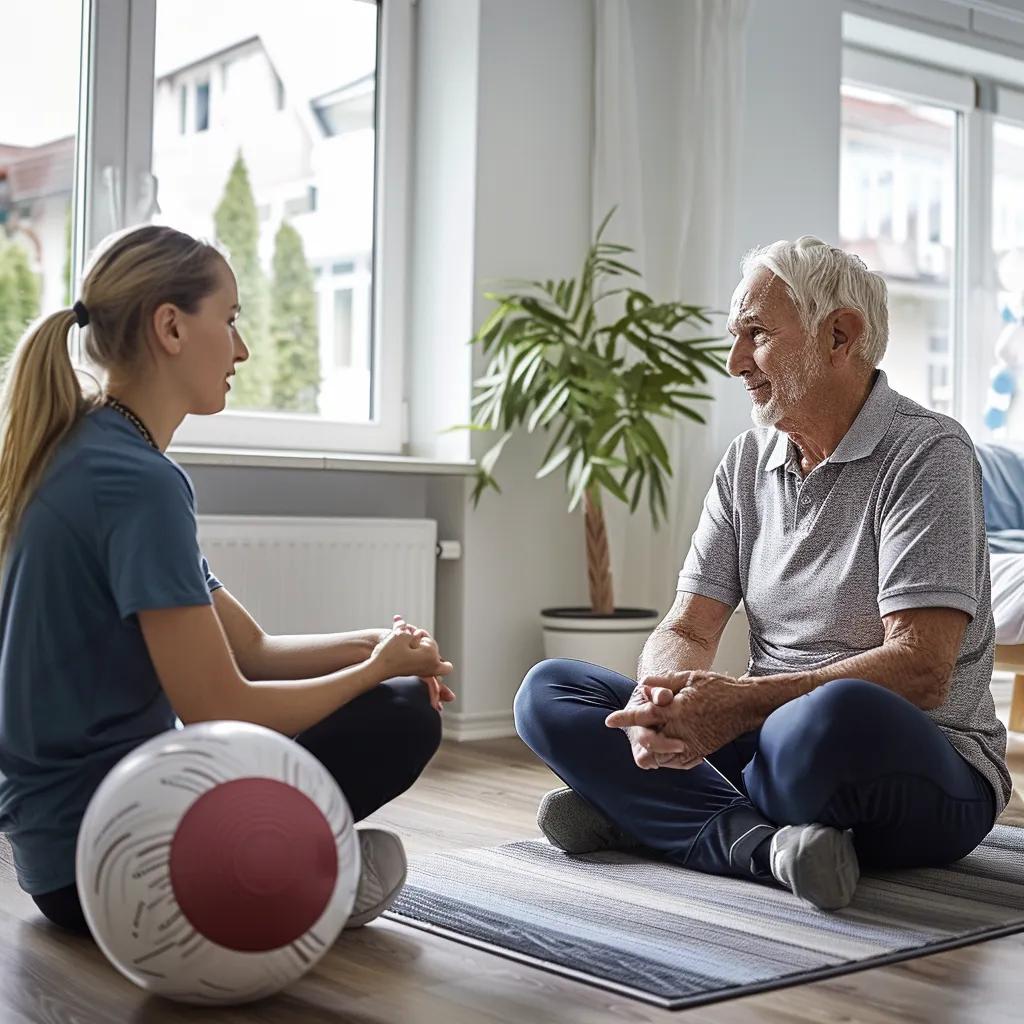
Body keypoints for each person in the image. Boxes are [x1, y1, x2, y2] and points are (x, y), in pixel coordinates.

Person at [515, 236, 1010, 911]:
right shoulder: (748, 460)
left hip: (915, 761)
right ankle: (765, 847)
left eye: (755, 334)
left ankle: (649, 816)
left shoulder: (928, 452)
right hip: (767, 745)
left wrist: (742, 703)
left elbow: (922, 668)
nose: (734, 361)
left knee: (822, 721)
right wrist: (661, 709)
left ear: (840, 335)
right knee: (551, 691)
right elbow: (688, 623)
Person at [0, 225, 455, 934]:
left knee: (395, 691)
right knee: (400, 716)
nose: (242, 348)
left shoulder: (84, 450)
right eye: (232, 319)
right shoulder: (136, 481)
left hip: (58, 864)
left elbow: (252, 649)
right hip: (118, 860)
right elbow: (220, 705)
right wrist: (374, 675)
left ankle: (284, 872)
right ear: (172, 327)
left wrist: (380, 648)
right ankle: (285, 883)